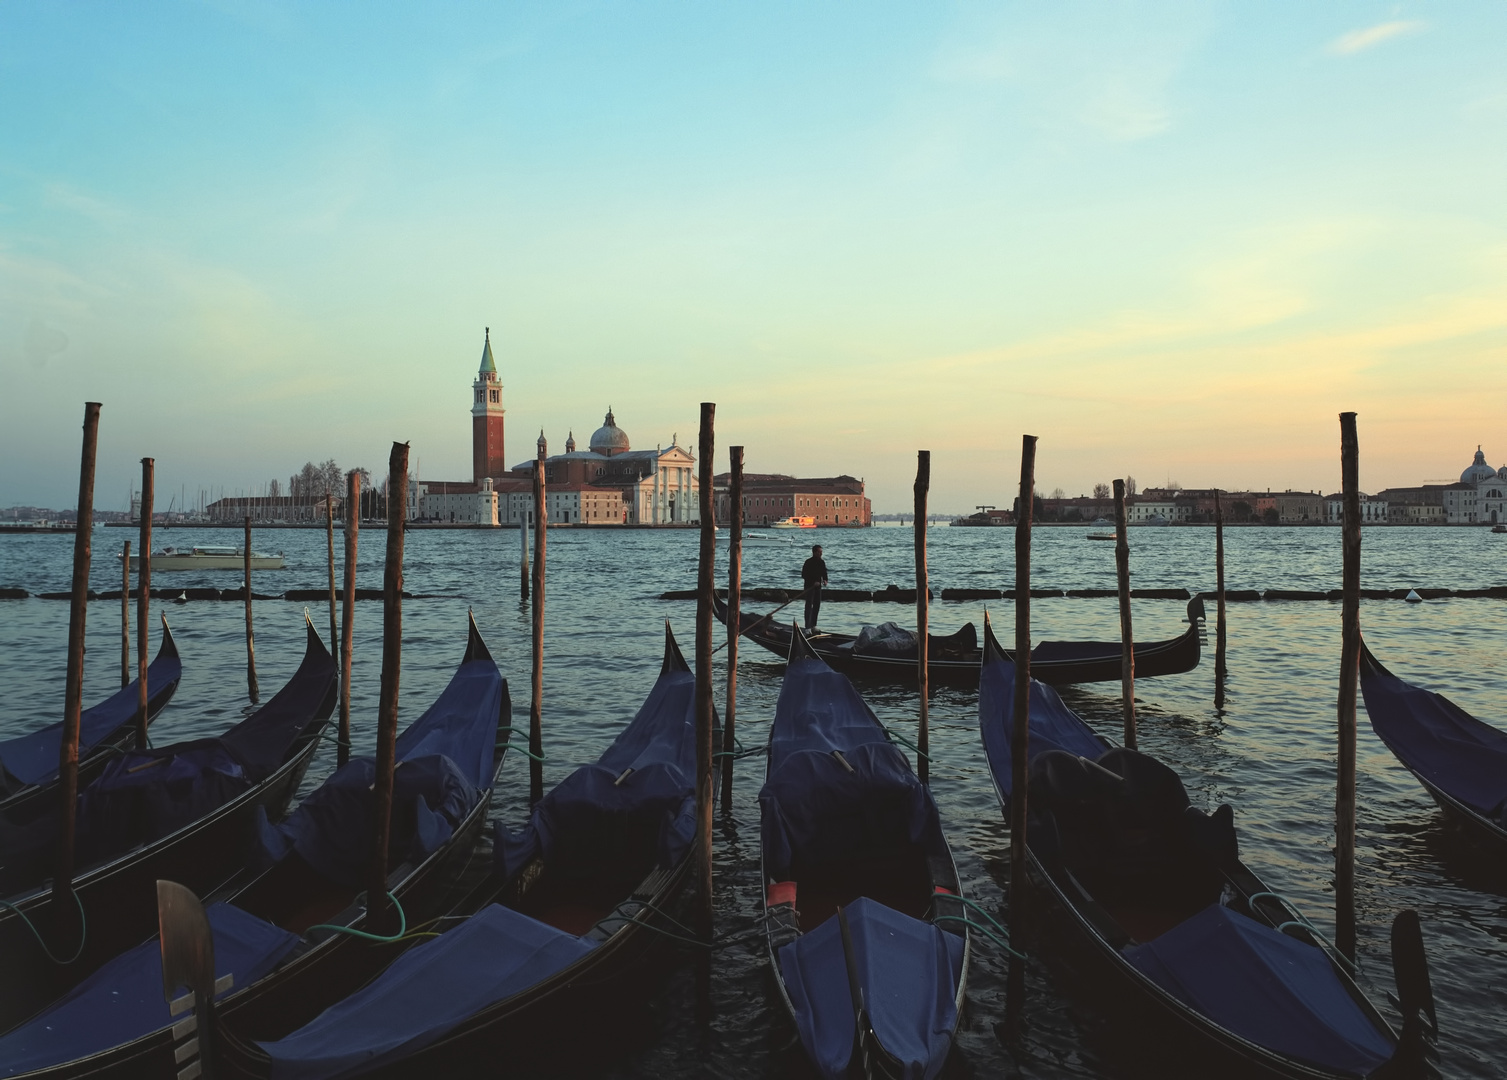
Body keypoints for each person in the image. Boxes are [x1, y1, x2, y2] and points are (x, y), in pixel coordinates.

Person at [801, 544, 829, 632]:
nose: (821, 553)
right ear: (814, 552)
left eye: (821, 552)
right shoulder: (808, 562)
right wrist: (813, 582)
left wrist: (825, 580)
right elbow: (804, 575)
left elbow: (824, 572)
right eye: (819, 552)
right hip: (809, 587)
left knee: (817, 606)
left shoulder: (821, 562)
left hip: (818, 588)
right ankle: (807, 627)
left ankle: (813, 625)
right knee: (809, 606)